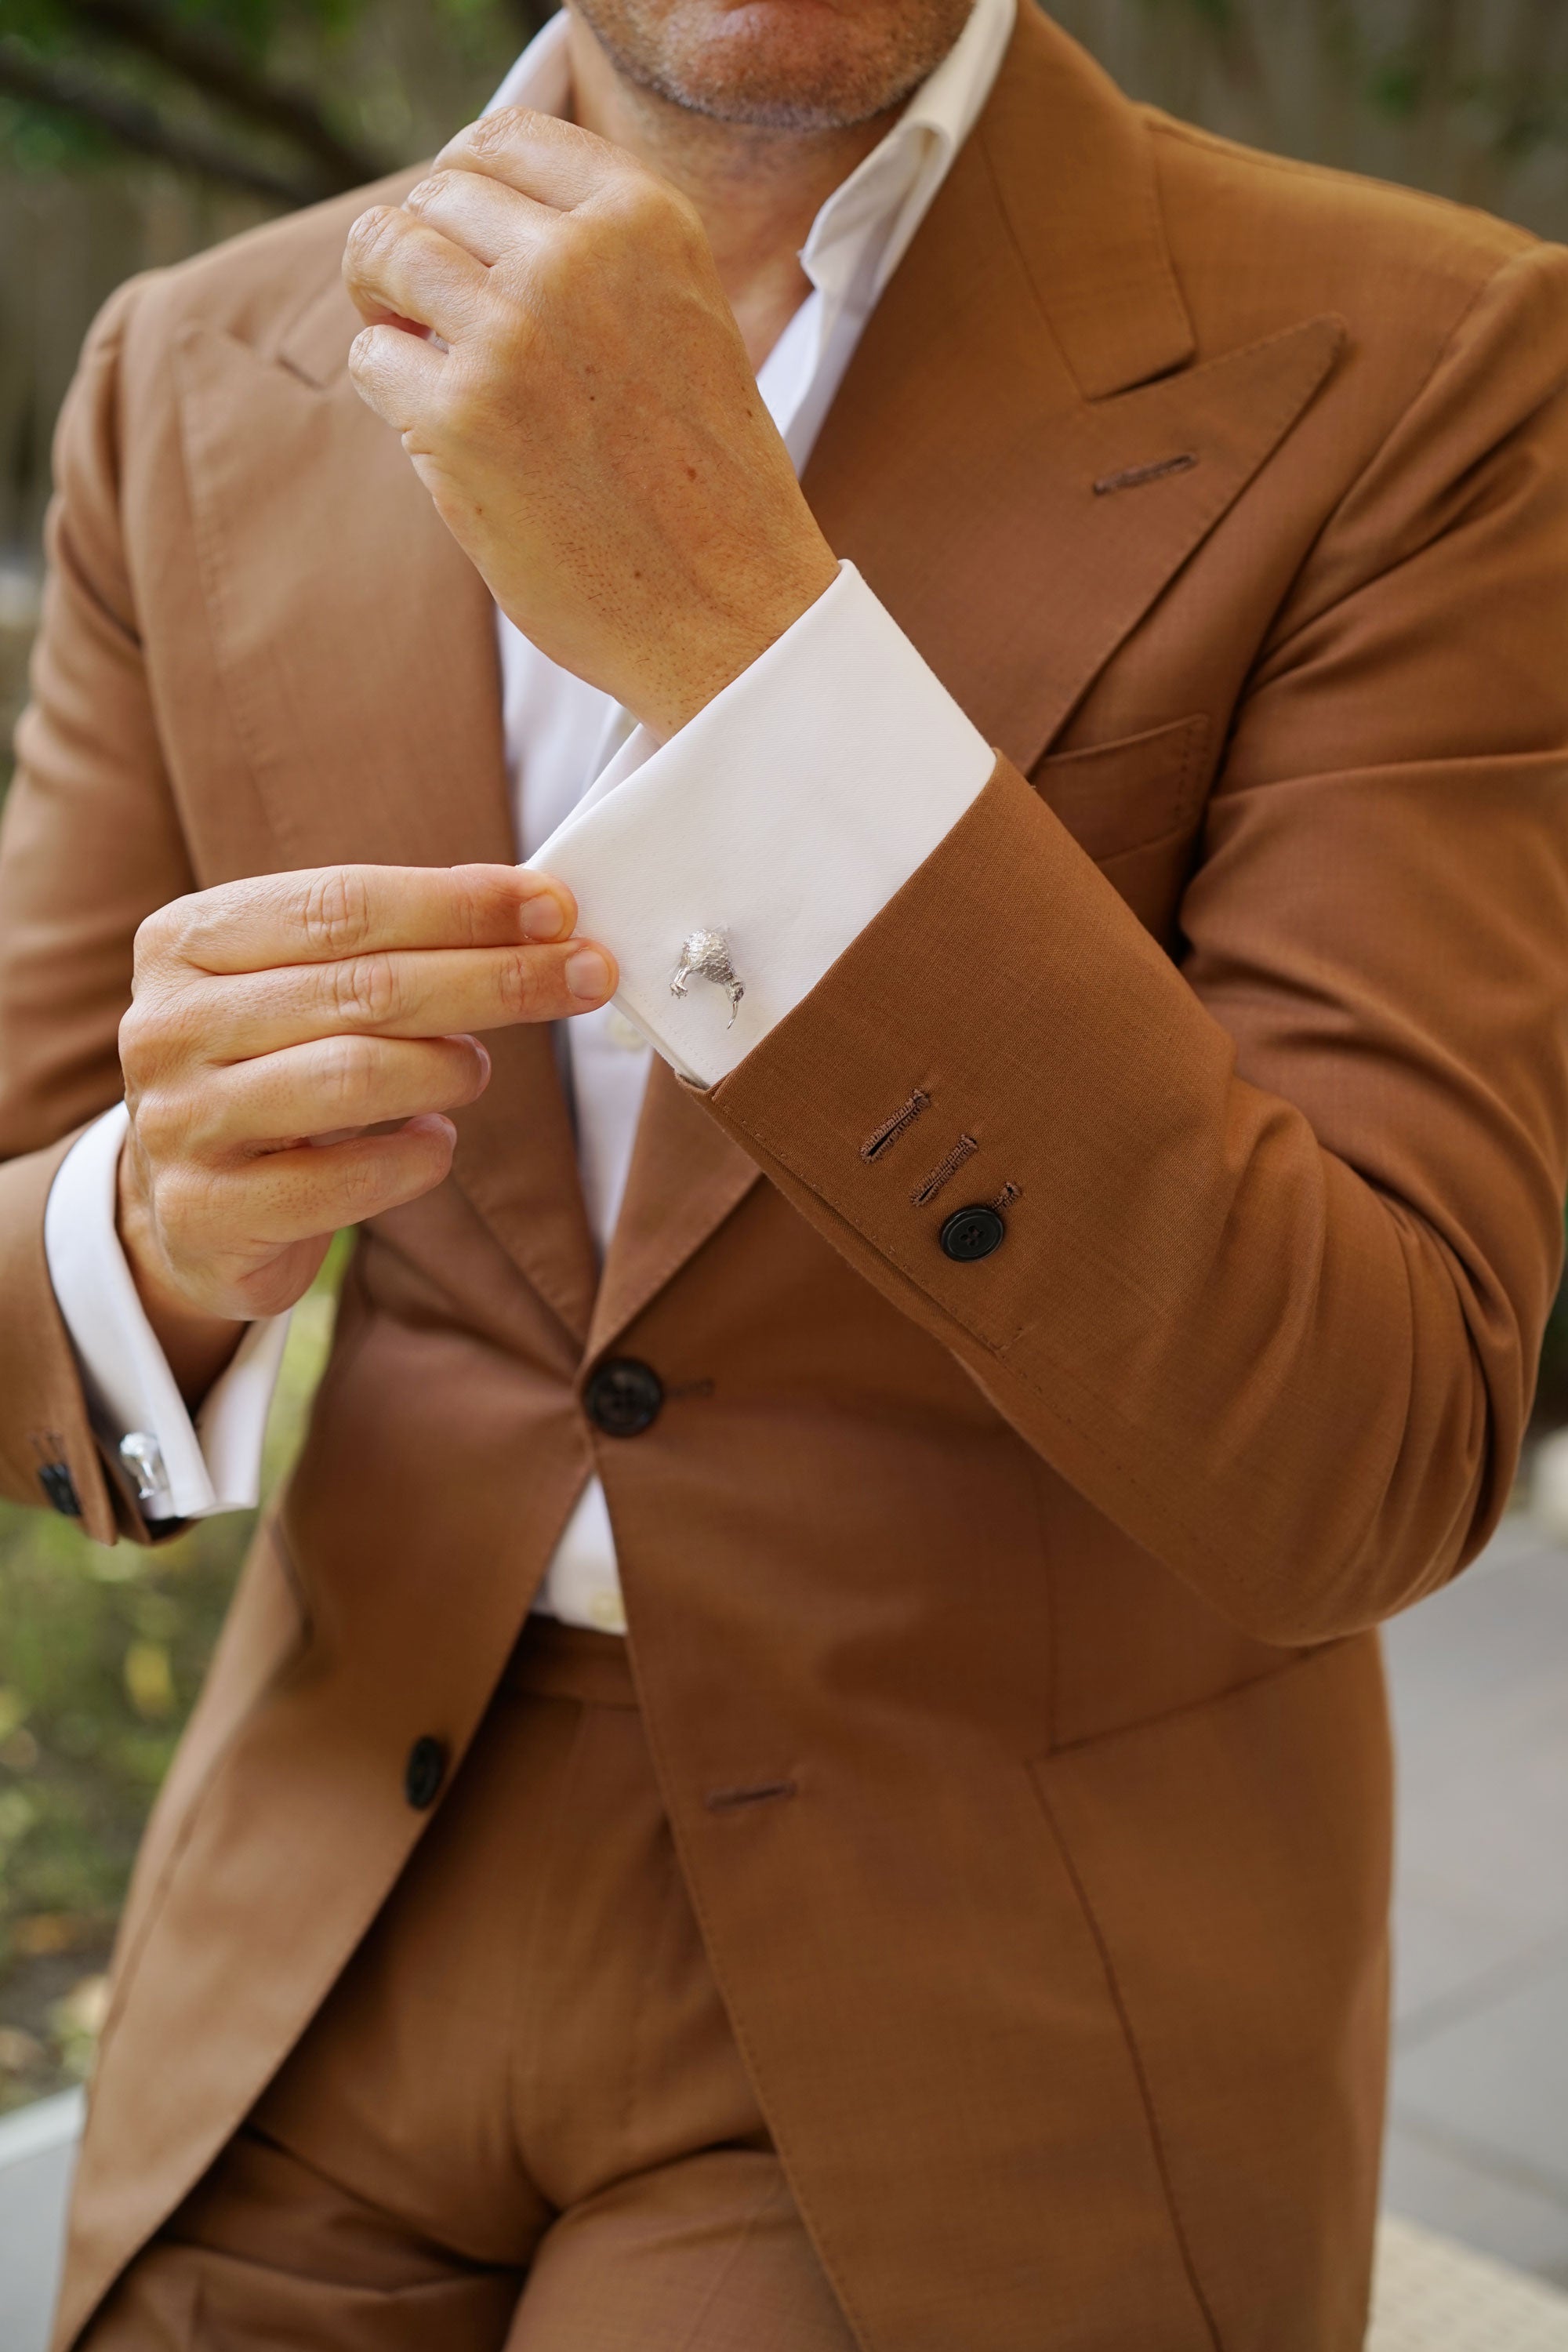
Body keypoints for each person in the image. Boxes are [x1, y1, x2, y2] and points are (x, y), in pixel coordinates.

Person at [3, 0, 1566, 2342]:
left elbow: (1374, 1447)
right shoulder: (185, 366)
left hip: (998, 1939)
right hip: (323, 1896)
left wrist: (751, 646)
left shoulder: (1442, 364)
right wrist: (158, 1234)